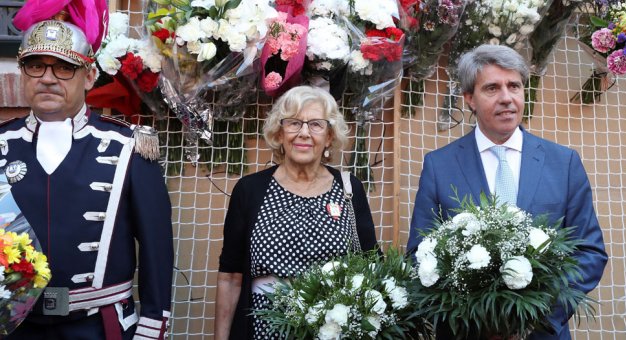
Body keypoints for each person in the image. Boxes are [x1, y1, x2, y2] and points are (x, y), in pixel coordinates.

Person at [407, 44, 608, 339]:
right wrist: (479, 315)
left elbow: (590, 252)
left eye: (514, 86)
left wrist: (533, 315)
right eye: (491, 88)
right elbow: (418, 254)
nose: (506, 98)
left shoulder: (564, 163)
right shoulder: (439, 166)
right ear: (469, 99)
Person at [2, 3, 174, 339]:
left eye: (64, 68)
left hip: (98, 326)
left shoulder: (129, 145)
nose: (48, 78)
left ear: (90, 75)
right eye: (35, 66)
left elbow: (157, 250)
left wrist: (152, 327)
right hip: (13, 327)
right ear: (23, 73)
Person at [214, 85, 379, 340]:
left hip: (334, 329)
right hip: (264, 329)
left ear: (330, 137)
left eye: (315, 124)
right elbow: (231, 276)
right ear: (279, 134)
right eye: (293, 123)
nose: (304, 133)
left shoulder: (349, 188)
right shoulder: (250, 190)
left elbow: (371, 264)